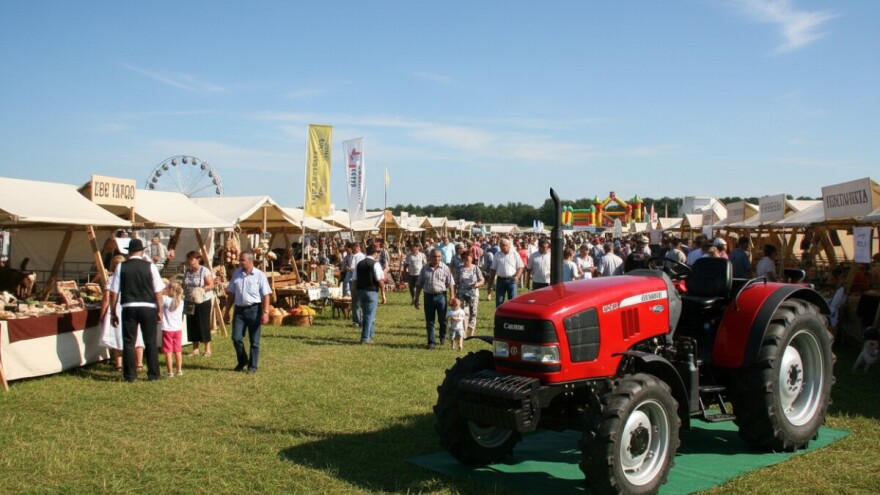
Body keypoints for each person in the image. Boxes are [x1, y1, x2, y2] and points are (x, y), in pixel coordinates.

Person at [109, 239, 165, 382]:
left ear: (129, 252)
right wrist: (160, 310)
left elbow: (114, 291)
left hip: (129, 307)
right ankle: (153, 374)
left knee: (129, 342)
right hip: (148, 306)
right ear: (142, 251)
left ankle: (130, 375)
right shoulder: (150, 266)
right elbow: (158, 291)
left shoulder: (121, 266)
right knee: (150, 341)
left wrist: (114, 312)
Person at [225, 251, 272, 374]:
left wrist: (265, 312)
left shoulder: (259, 275)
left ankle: (253, 366)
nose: (240, 262)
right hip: (239, 310)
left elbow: (266, 295)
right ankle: (242, 360)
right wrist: (226, 311)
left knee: (254, 341)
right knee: (236, 338)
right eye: (240, 260)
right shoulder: (236, 274)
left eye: (242, 260)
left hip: (254, 310)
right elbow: (231, 293)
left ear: (250, 261)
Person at [414, 249, 455, 349]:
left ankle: (442, 336)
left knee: (442, 320)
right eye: (434, 256)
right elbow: (419, 284)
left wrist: (452, 296)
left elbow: (451, 284)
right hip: (428, 297)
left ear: (441, 257)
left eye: (438, 256)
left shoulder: (445, 268)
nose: (436, 258)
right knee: (430, 321)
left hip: (441, 297)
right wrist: (417, 298)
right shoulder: (424, 269)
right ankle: (431, 342)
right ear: (430, 257)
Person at [183, 251, 214, 357]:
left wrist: (201, 289)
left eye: (191, 259)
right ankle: (195, 349)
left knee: (203, 323)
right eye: (188, 259)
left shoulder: (204, 270)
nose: (189, 261)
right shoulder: (187, 271)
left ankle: (207, 349)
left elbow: (211, 285)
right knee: (191, 324)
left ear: (197, 260)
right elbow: (184, 284)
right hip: (189, 301)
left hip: (202, 301)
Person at [99, 254, 127, 371]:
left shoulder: (110, 280)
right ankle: (133, 363)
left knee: (117, 338)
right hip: (127, 309)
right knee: (128, 337)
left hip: (115, 310)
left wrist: (102, 315)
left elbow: (106, 300)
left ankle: (119, 364)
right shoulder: (128, 279)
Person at [356, 244, 385, 344]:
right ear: (375, 253)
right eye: (377, 252)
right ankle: (365, 338)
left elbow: (355, 279)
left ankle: (371, 334)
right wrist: (383, 294)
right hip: (371, 291)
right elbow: (380, 280)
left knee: (366, 314)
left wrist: (354, 292)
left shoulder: (359, 264)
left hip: (360, 291)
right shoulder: (375, 264)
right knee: (369, 315)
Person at [454, 250, 484, 338]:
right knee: (463, 312)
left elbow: (482, 280)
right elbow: (455, 282)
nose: (468, 259)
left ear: (472, 258)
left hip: (473, 294)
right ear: (463, 259)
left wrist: (477, 284)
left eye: (470, 257)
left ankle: (471, 331)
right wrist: (454, 294)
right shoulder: (459, 268)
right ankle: (463, 331)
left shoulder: (476, 268)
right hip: (461, 294)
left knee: (473, 312)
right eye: (466, 257)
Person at [489, 237, 524, 306]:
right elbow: (493, 269)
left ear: (509, 246)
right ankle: (500, 316)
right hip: (500, 280)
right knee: (499, 301)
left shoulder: (514, 254)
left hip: (512, 280)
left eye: (503, 245)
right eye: (501, 245)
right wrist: (491, 282)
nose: (501, 247)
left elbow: (520, 266)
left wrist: (517, 277)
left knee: (513, 301)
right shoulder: (497, 254)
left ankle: (512, 316)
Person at [162, 281, 185, 377]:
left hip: (167, 329)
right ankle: (179, 370)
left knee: (168, 352)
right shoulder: (181, 301)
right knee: (178, 350)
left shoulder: (165, 299)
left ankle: (170, 372)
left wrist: (163, 291)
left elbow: (159, 295)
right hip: (177, 329)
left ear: (171, 290)